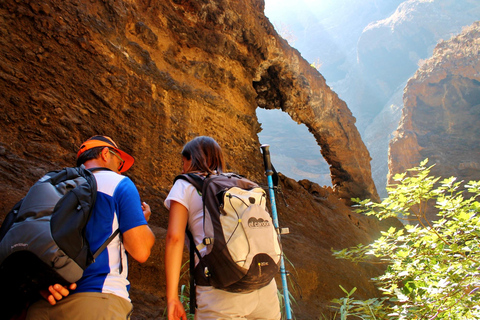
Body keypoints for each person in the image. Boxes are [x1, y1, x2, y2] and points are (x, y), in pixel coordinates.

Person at [26, 135, 156, 320]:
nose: (119, 171)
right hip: (96, 302)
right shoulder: (118, 182)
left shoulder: (53, 185)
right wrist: (142, 222)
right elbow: (141, 251)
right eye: (119, 163)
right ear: (105, 153)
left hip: (42, 306)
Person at [164, 136, 281, 320]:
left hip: (219, 291)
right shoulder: (239, 183)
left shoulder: (184, 185)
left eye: (183, 162)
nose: (182, 168)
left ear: (192, 160)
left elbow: (175, 239)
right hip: (263, 288)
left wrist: (171, 298)